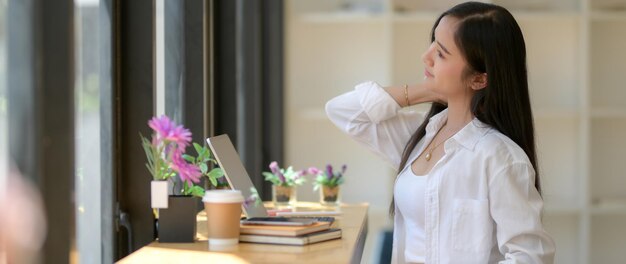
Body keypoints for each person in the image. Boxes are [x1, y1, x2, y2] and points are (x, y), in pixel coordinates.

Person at [326, 2, 556, 263]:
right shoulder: (420, 134)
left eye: (442, 53)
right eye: (433, 43)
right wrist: (423, 91)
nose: (426, 56)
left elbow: (531, 257)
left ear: (480, 79)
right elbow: (341, 110)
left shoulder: (499, 157)